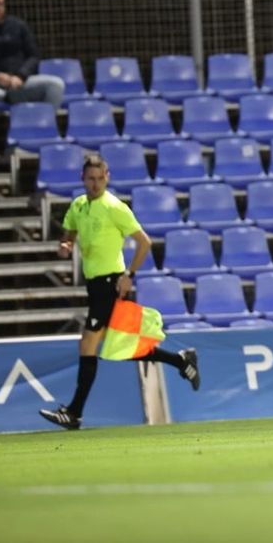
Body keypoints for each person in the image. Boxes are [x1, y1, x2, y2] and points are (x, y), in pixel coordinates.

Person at [39, 156, 200, 430]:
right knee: (120, 346)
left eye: (100, 178)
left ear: (108, 177)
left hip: (110, 283)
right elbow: (70, 233)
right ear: (83, 178)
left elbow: (144, 243)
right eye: (91, 178)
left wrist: (129, 276)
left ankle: (74, 412)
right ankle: (181, 360)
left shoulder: (114, 207)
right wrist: (65, 244)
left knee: (88, 345)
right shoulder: (78, 206)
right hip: (94, 284)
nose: (96, 183)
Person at [0, 0, 64, 109]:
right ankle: (5, 96)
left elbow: (34, 56)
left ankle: (45, 124)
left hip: (21, 83)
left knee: (56, 84)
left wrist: (20, 76)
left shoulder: (18, 25)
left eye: (1, 4)